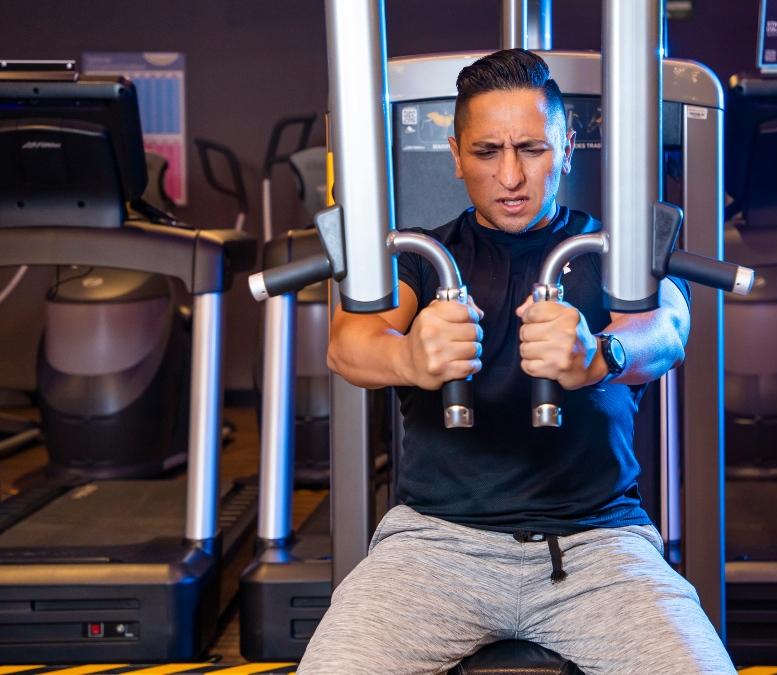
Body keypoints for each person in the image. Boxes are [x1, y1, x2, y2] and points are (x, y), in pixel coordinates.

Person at [299, 49, 735, 675]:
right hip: (434, 548)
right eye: (486, 153)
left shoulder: (610, 250)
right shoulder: (423, 257)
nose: (510, 176)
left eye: (531, 149)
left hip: (597, 548)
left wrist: (600, 354)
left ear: (566, 146)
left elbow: (667, 330)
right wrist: (410, 358)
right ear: (455, 155)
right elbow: (348, 343)